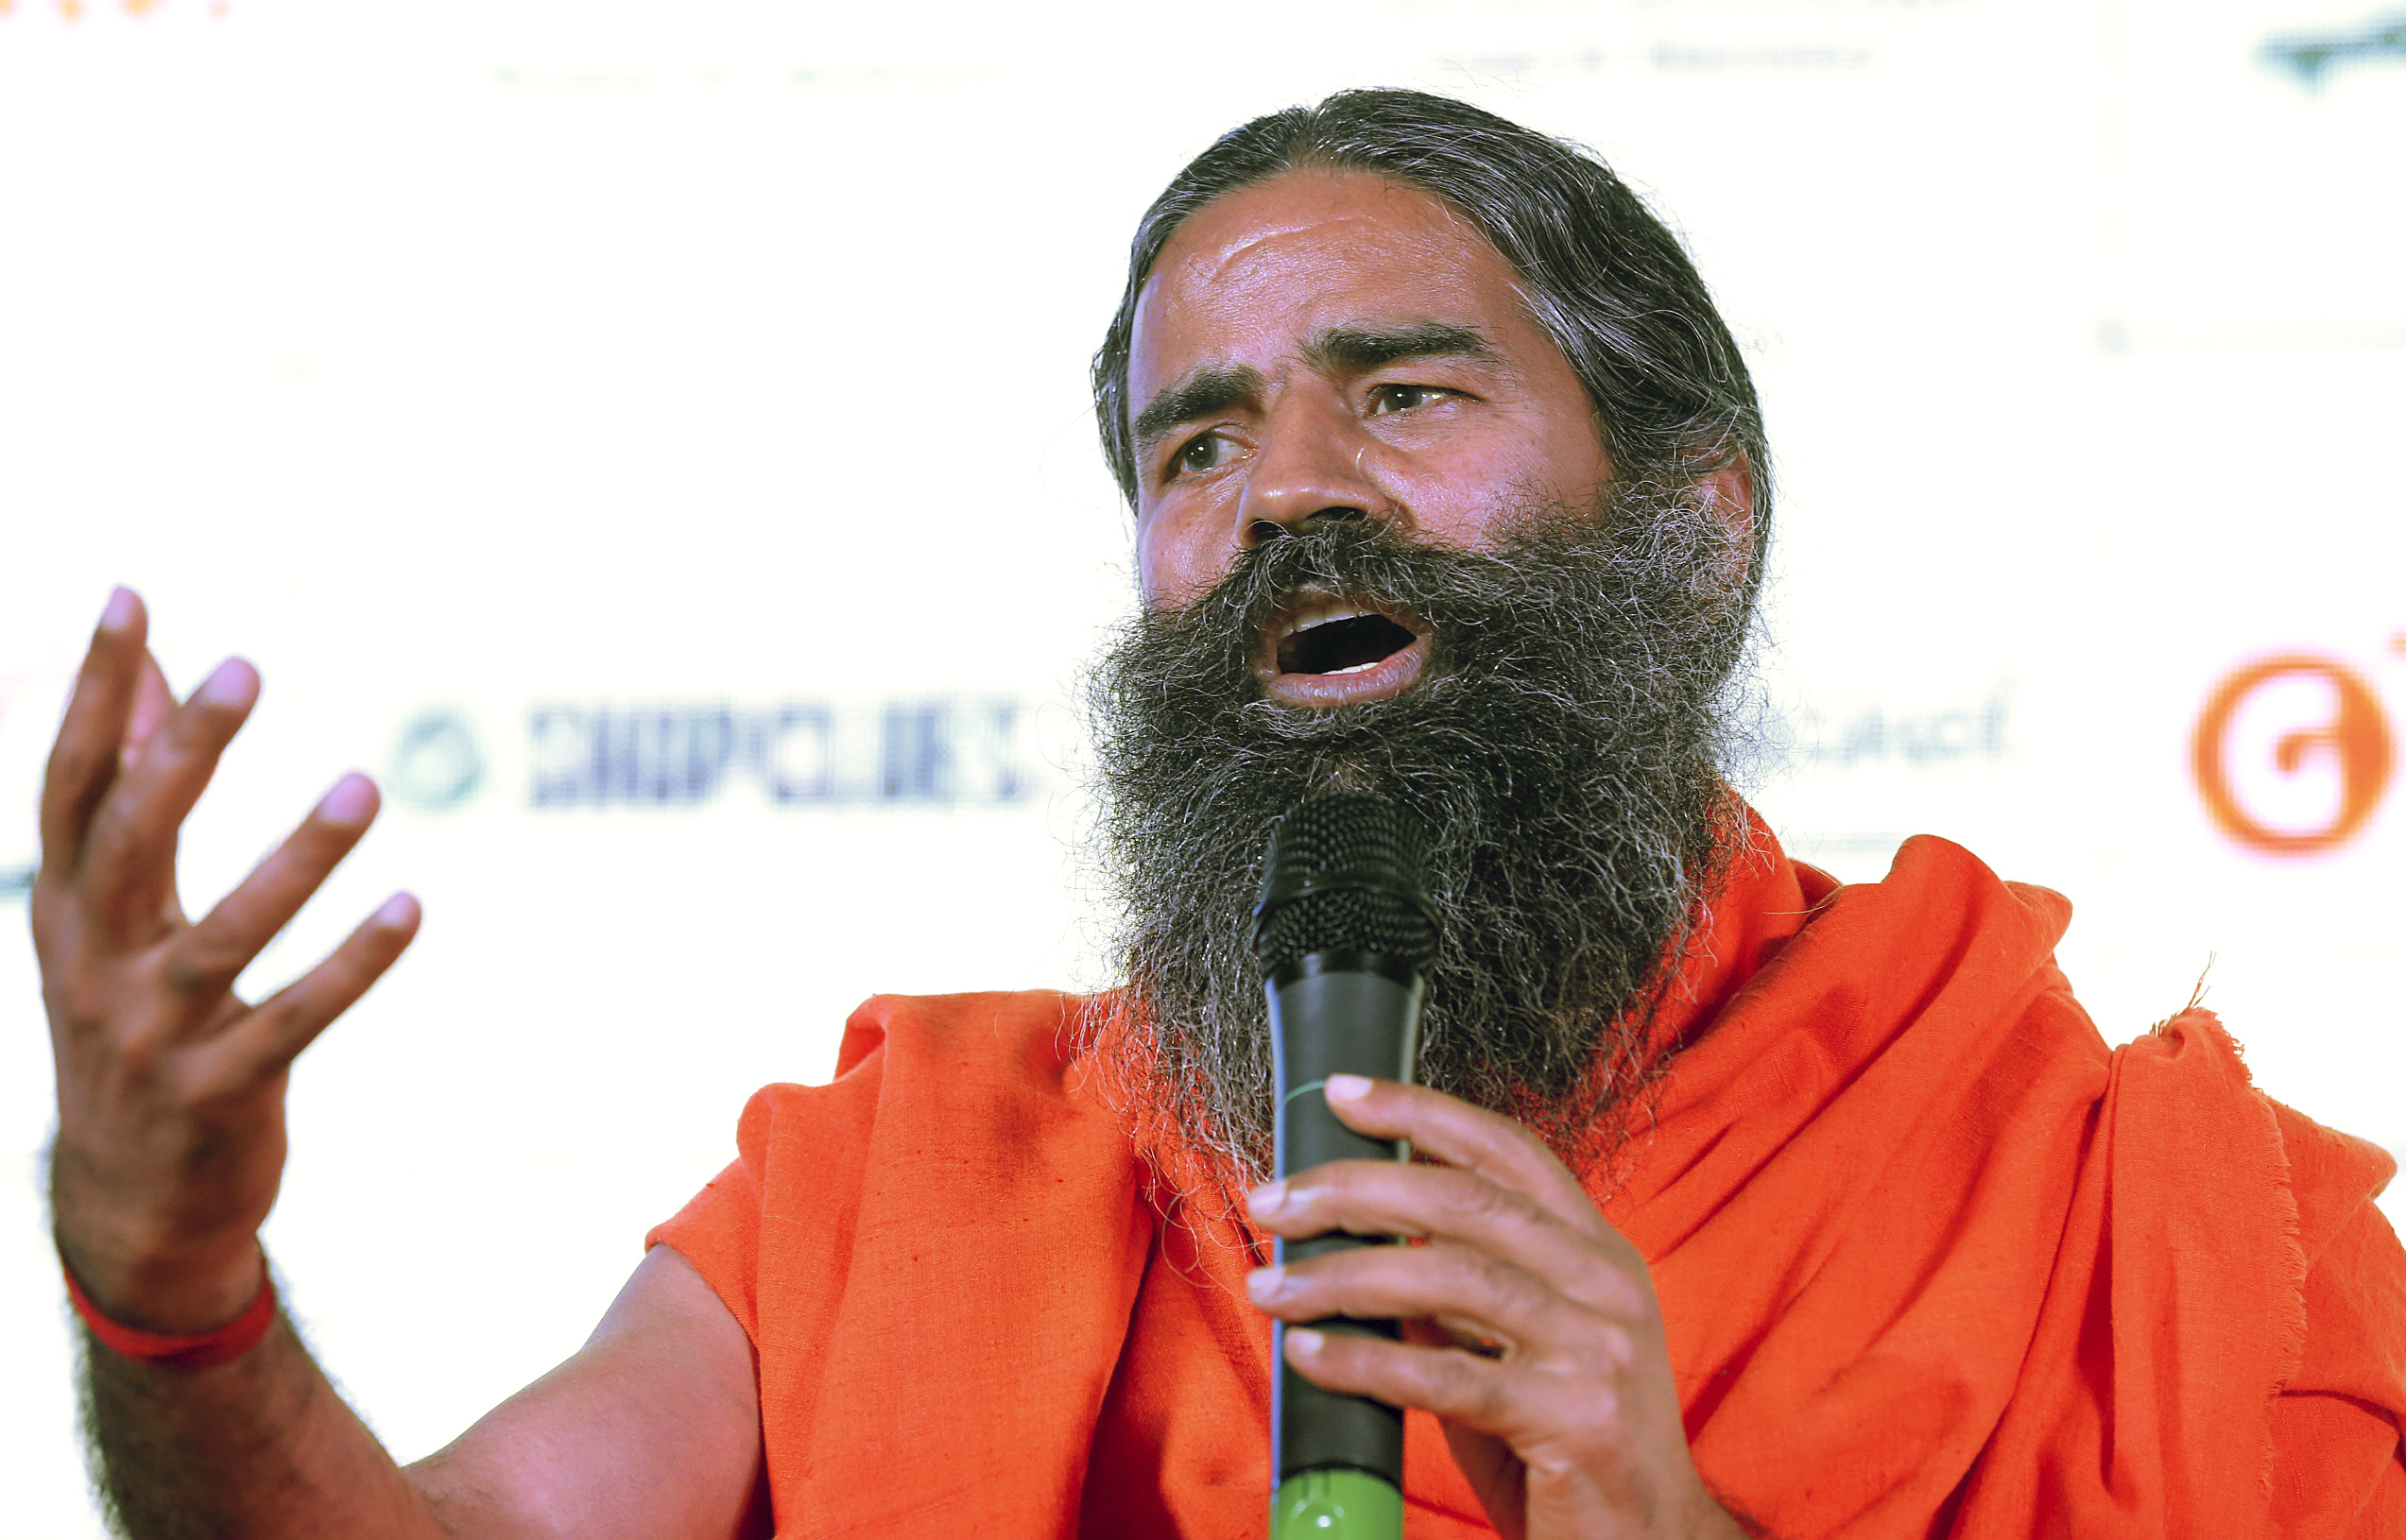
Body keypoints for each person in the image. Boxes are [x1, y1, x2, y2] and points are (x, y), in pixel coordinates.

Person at [35, 90, 2404, 1540]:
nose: (1285, 492)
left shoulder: (2120, 1207)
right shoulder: (906, 1172)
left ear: (1691, 535)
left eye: (1404, 393)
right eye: (1198, 442)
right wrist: (174, 1298)